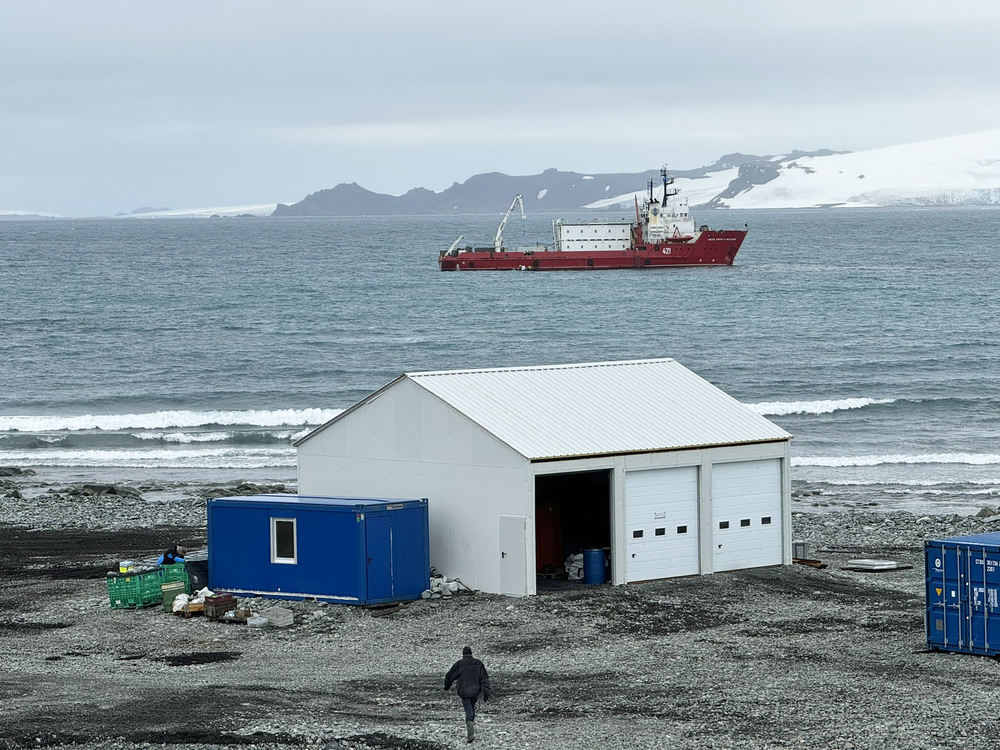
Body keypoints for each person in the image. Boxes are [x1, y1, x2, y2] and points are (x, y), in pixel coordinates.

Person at [444, 645, 490, 743]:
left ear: (463, 654)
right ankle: (471, 724)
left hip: (464, 691)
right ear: (471, 653)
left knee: (468, 709)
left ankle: (470, 727)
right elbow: (484, 679)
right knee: (471, 707)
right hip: (475, 691)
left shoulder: (459, 664)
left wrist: (446, 686)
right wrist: (486, 693)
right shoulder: (478, 663)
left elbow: (450, 676)